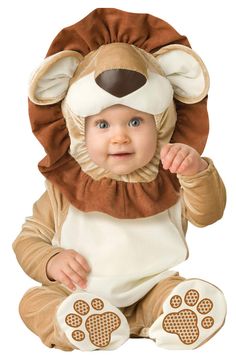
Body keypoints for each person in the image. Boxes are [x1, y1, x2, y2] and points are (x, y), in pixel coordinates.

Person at [12, 8, 227, 351]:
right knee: (32, 302)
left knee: (171, 290)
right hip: (77, 293)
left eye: (136, 122)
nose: (120, 137)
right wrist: (50, 262)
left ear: (162, 123)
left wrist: (196, 172)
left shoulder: (170, 174)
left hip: (151, 287)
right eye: (102, 124)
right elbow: (28, 239)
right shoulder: (65, 187)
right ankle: (77, 322)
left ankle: (173, 312)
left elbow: (208, 214)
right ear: (77, 127)